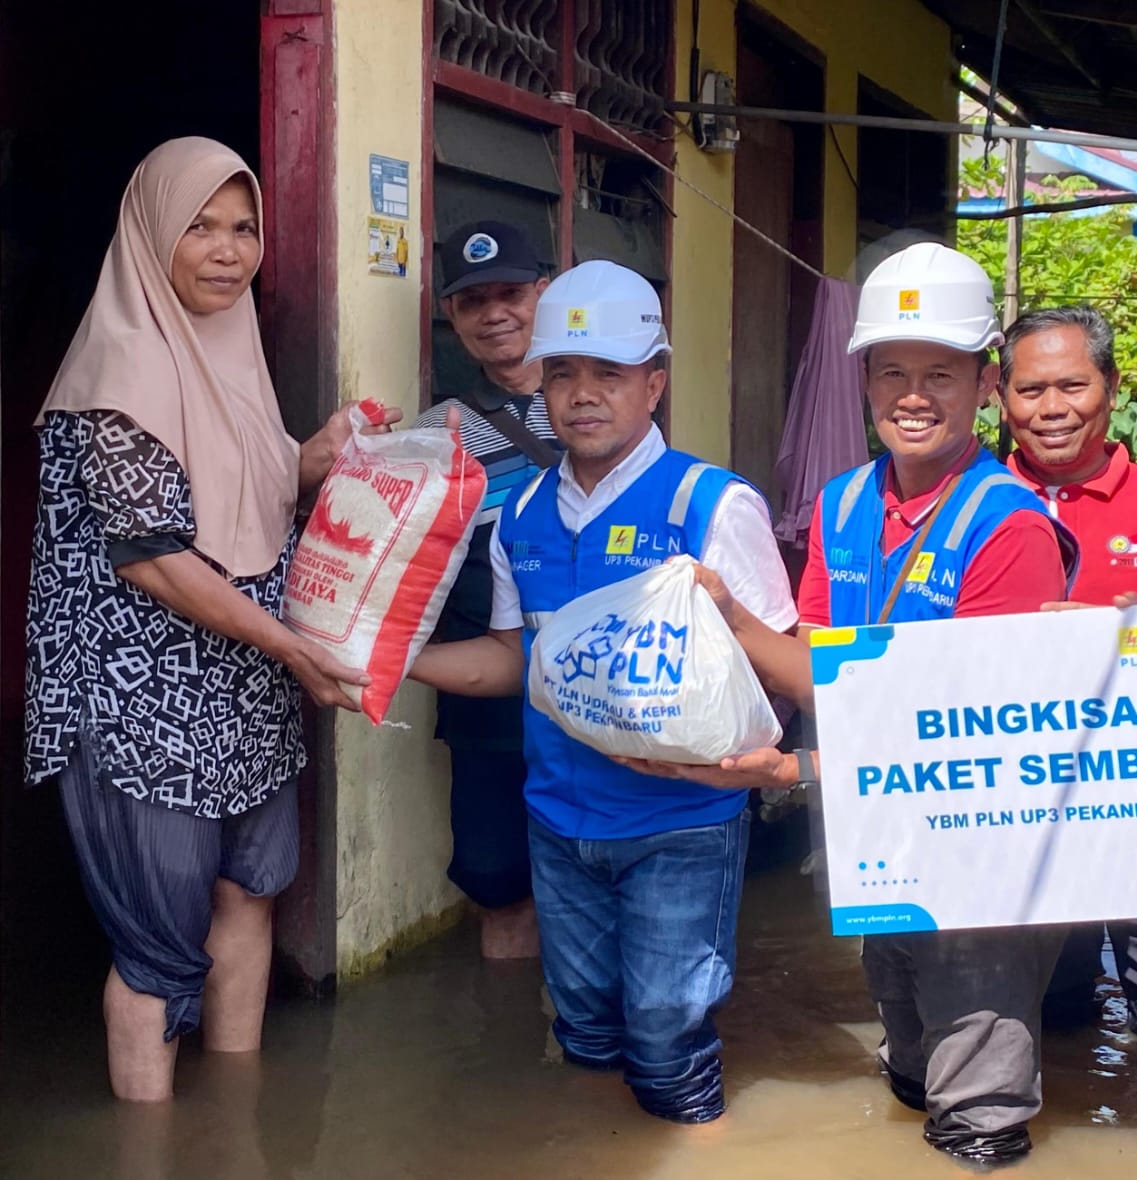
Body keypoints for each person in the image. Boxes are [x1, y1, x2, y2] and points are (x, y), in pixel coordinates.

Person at [635, 243, 1075, 1164]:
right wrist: (724, 629)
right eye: (890, 372)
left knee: (977, 1101)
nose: (912, 396)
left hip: (978, 840)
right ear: (863, 379)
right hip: (874, 822)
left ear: (985, 383)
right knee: (907, 1057)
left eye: (939, 375)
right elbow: (819, 669)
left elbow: (982, 736)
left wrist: (786, 757)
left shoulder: (1010, 526)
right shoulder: (841, 504)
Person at [22, 137, 399, 1102]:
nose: (229, 251)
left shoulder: (231, 356)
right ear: (151, 235)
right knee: (157, 943)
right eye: (200, 227)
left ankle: (235, 1127)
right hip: (141, 701)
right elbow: (152, 553)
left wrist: (319, 455)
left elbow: (245, 497)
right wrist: (294, 648)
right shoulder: (121, 368)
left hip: (243, 690)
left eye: (244, 228)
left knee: (248, 895)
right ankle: (149, 1144)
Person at [407, 259, 797, 1123]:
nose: (582, 395)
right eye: (562, 373)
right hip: (557, 821)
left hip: (682, 825)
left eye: (609, 374)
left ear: (653, 383)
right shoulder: (521, 516)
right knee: (583, 1032)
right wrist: (393, 659)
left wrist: (765, 769)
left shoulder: (708, 503)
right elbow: (512, 660)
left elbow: (782, 664)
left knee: (665, 1043)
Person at [999, 306, 1137, 1036]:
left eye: (1072, 386)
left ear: (1112, 386)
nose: (1051, 409)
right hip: (1015, 806)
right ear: (999, 397)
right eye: (1029, 390)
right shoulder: (973, 503)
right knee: (1047, 1016)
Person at [413, 220, 559, 960]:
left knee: (601, 877)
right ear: (451, 314)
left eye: (511, 294)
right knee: (499, 885)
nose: (494, 314)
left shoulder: (598, 401)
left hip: (600, 689)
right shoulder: (435, 432)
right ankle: (504, 1026)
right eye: (474, 301)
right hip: (487, 699)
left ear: (544, 294)